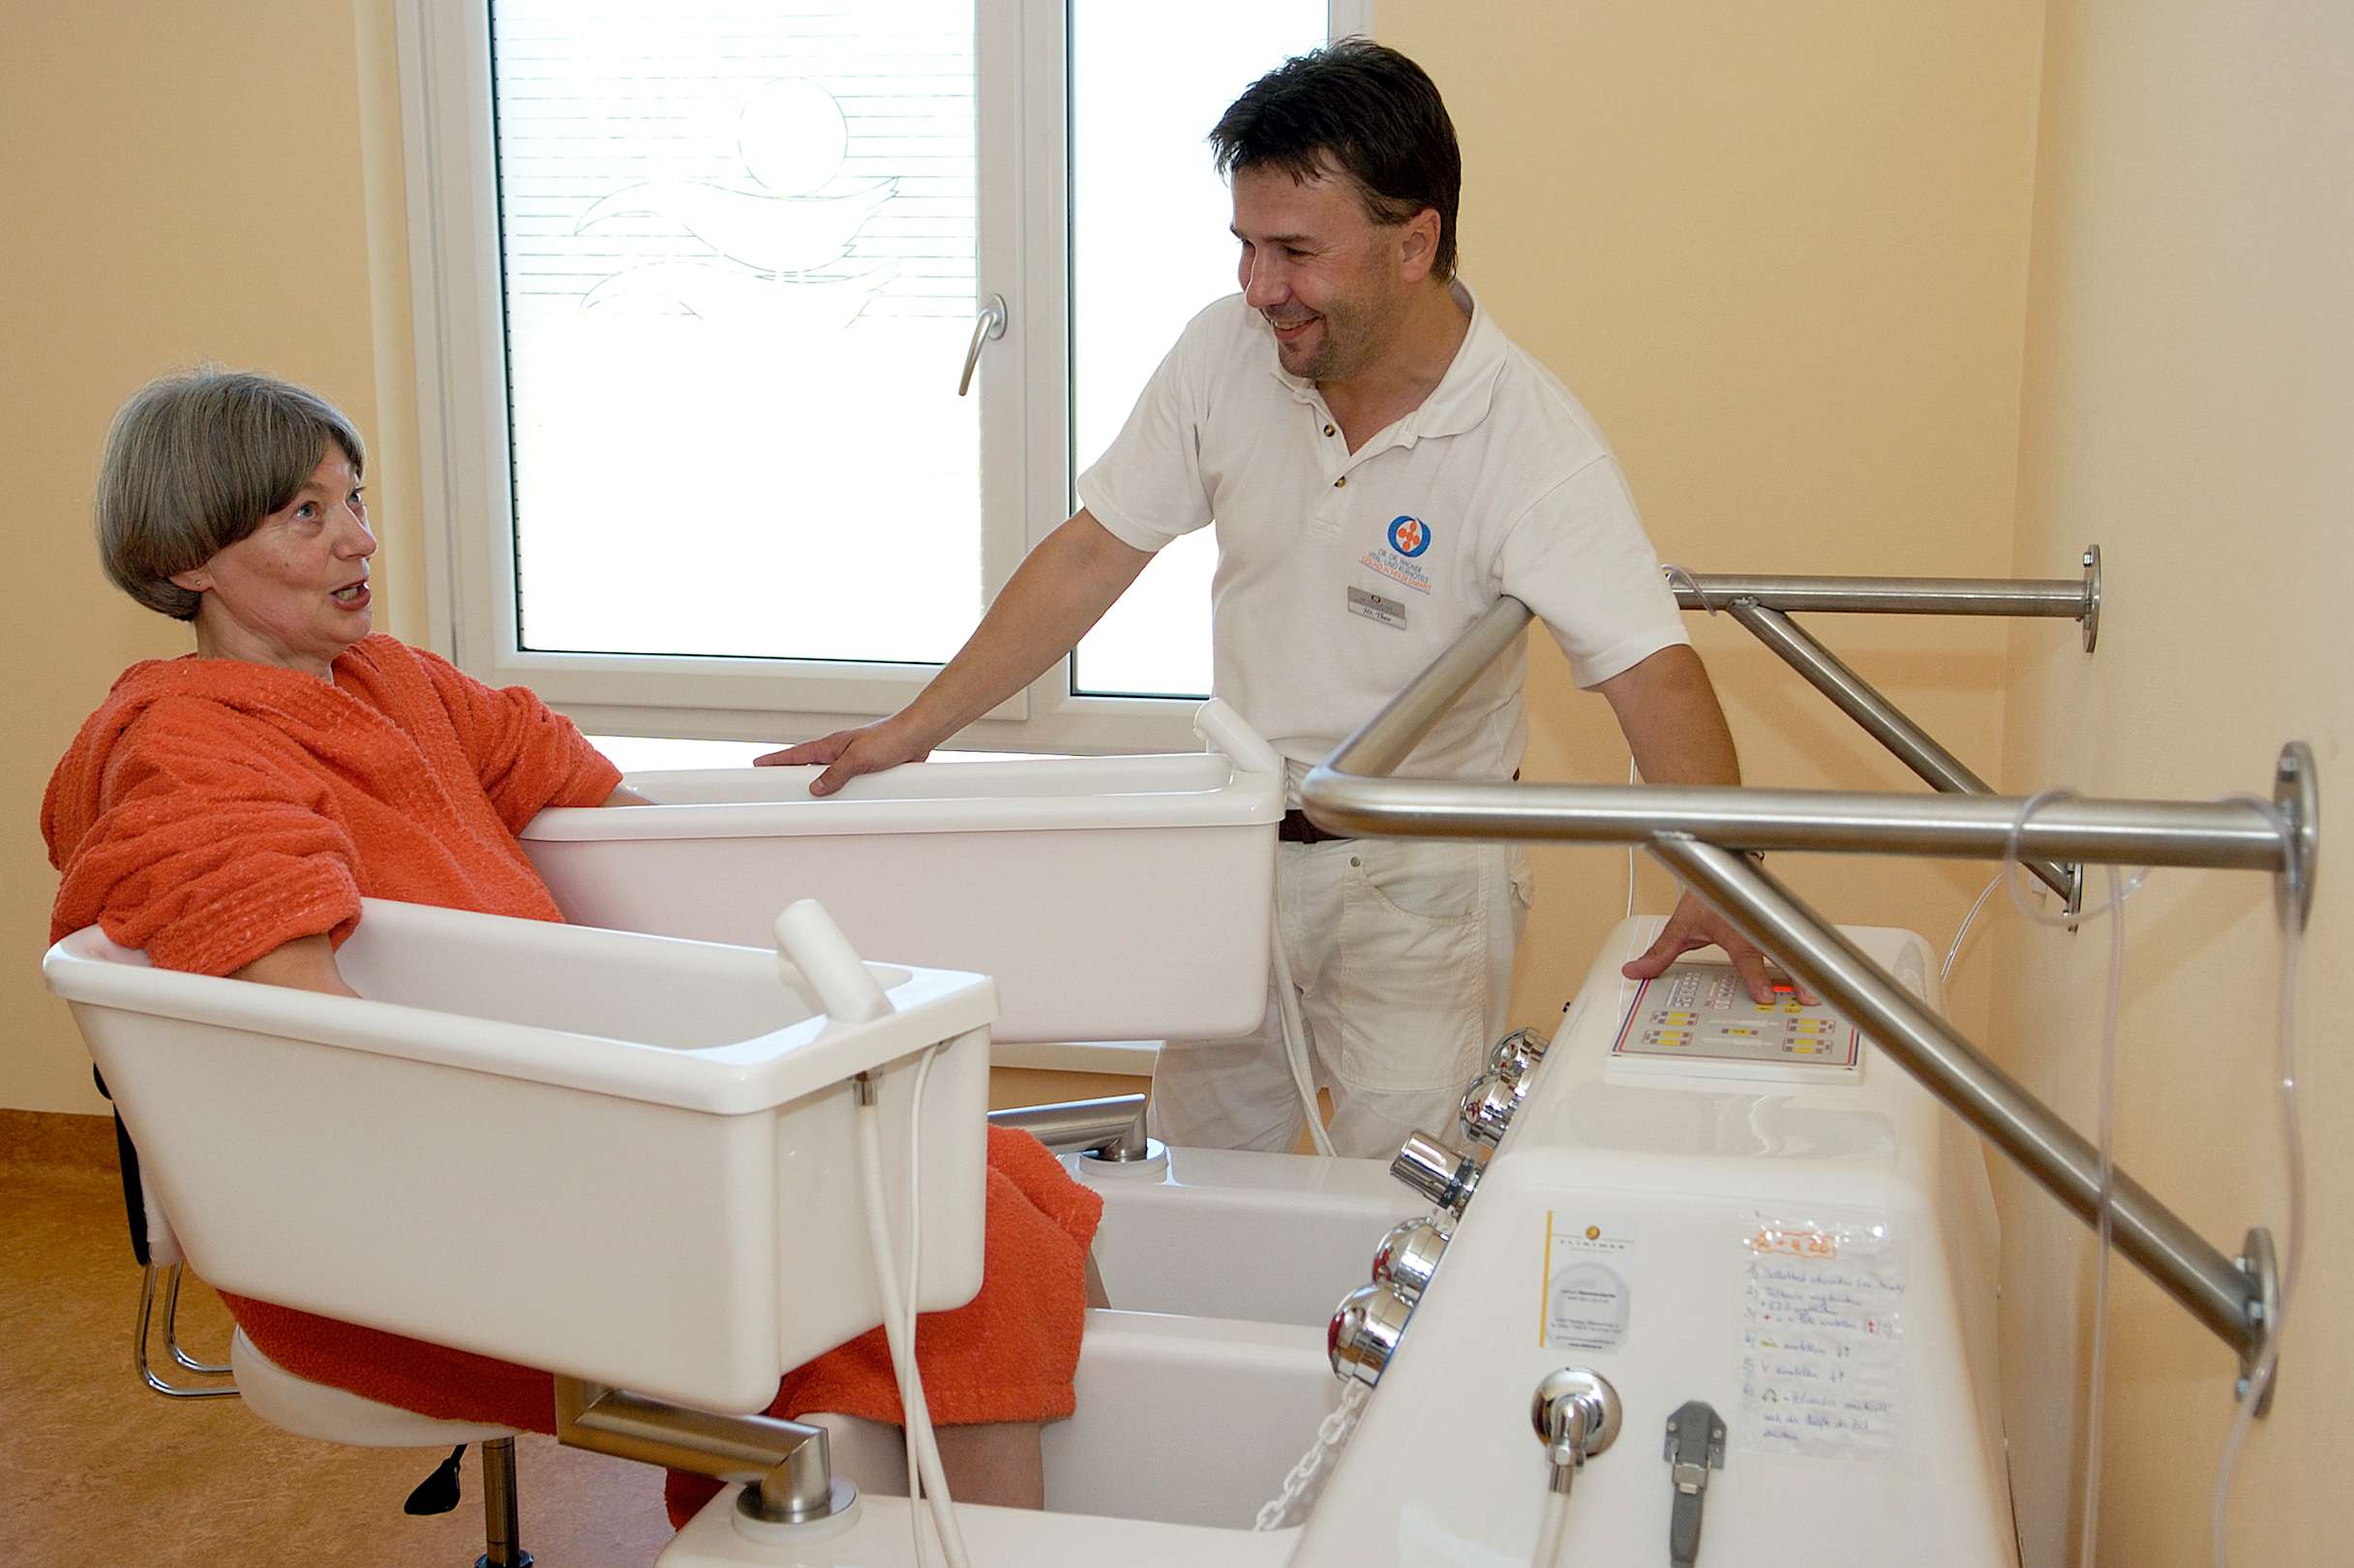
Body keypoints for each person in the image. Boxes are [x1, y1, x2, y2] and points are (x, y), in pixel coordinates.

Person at [44, 368, 1099, 1523]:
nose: (359, 539)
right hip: (393, 1237)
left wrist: (722, 975)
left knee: (991, 1175)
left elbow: (574, 790)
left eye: (354, 498)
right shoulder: (191, 756)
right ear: (190, 558)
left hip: (541, 1153)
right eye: (306, 513)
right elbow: (314, 1052)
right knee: (966, 1251)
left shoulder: (389, 683)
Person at [761, 40, 1783, 1161]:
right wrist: (914, 730)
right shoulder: (1225, 353)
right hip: (1239, 852)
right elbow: (1093, 554)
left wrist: (1719, 871)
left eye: (1294, 251)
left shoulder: (1525, 439)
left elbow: (1650, 670)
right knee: (1197, 1174)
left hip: (1418, 882)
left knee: (1399, 1197)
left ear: (1414, 243)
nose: (1259, 288)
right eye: (1245, 246)